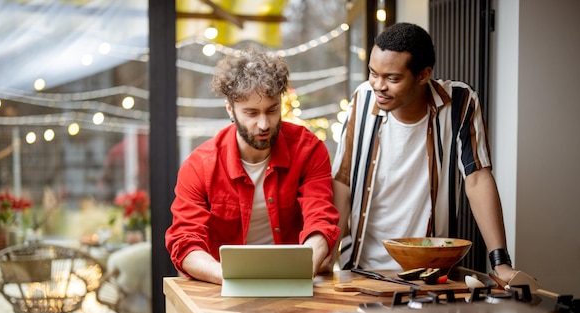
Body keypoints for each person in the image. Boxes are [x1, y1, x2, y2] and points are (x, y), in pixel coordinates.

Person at [330, 22, 527, 286]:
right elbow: (342, 181)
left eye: (392, 78)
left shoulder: (459, 101)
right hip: (362, 270)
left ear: (423, 75)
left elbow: (477, 178)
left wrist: (501, 263)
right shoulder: (362, 98)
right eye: (373, 73)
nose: (378, 86)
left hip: (431, 274)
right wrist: (327, 256)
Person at [165, 45, 340, 285]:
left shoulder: (308, 150)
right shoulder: (200, 165)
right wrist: (231, 277)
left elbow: (321, 220)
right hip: (224, 284)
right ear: (230, 109)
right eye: (251, 113)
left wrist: (303, 268)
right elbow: (184, 242)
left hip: (295, 280)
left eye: (272, 110)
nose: (264, 124)